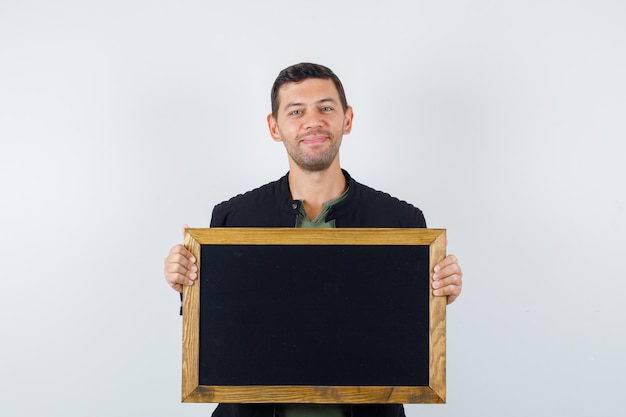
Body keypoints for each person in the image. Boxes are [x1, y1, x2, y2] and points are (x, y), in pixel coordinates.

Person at [164, 62, 463, 417]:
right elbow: (219, 334)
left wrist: (439, 294)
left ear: (347, 119)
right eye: (296, 111)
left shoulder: (401, 221)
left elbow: (408, 337)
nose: (313, 121)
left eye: (326, 108)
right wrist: (187, 282)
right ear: (275, 127)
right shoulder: (233, 218)